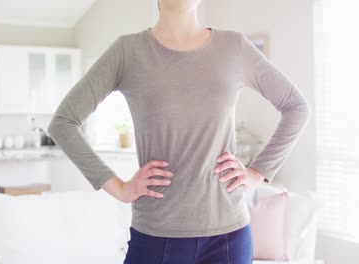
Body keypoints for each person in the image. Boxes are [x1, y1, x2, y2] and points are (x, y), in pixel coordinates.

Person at [47, 0, 312, 263]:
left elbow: (297, 107)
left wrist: (258, 173)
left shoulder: (234, 47)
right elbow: (63, 123)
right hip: (156, 234)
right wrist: (119, 188)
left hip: (229, 236)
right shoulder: (128, 52)